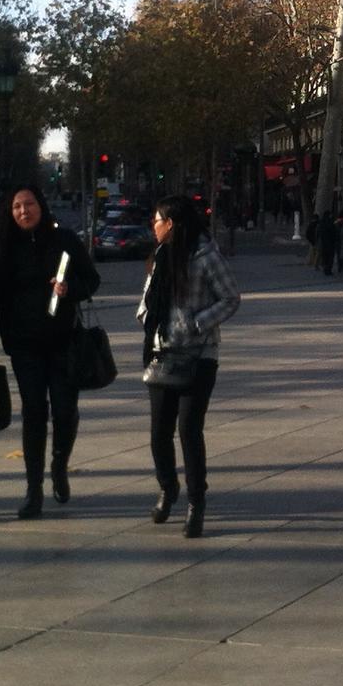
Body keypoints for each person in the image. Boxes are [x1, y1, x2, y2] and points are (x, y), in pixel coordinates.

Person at [0, 184, 101, 519]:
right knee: (34, 414)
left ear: (41, 206)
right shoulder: (7, 247)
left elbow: (92, 280)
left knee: (65, 411)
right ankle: (33, 490)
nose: (24, 211)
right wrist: (9, 341)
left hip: (63, 342)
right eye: (17, 206)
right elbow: (3, 298)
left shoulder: (65, 240)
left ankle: (59, 464)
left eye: (29, 204)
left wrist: (70, 290)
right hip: (26, 347)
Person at [138, 194, 241, 538]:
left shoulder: (206, 256)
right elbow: (148, 298)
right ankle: (168, 487)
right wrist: (146, 316)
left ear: (172, 223)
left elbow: (231, 298)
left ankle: (196, 503)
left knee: (188, 430)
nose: (153, 226)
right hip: (162, 353)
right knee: (158, 433)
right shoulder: (160, 257)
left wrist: (197, 322)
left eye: (157, 220)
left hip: (199, 356)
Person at [314, 211, 339, 278]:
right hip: (330, 243)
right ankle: (328, 269)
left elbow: (317, 233)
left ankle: (325, 268)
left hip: (323, 243)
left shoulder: (321, 223)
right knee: (330, 257)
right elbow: (334, 233)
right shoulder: (331, 223)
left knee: (325, 257)